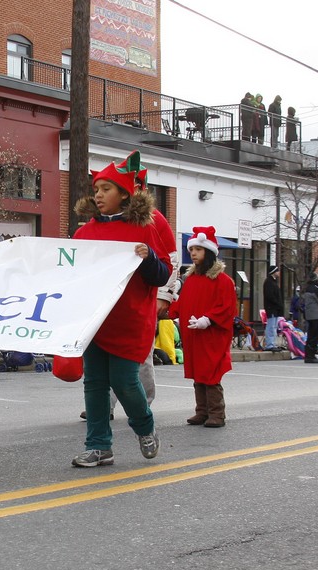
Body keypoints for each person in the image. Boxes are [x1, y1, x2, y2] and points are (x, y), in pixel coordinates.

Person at [69, 152, 170, 467]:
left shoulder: (144, 228)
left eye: (106, 189)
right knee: (95, 382)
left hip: (130, 321)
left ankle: (144, 426)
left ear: (124, 193)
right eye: (96, 189)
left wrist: (149, 257)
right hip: (96, 322)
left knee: (125, 381)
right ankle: (99, 445)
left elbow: (162, 274)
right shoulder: (84, 233)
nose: (98, 195)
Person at [169, 227, 237, 427]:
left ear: (208, 252)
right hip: (194, 335)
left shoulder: (223, 280)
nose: (193, 253)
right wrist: (171, 307)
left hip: (212, 335)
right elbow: (183, 304)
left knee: (210, 372)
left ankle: (217, 413)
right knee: (198, 372)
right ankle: (202, 411)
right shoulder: (191, 279)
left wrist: (207, 320)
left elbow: (227, 307)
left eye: (198, 249)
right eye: (192, 250)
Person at [262, 264, 282, 350]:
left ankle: (272, 343)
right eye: (277, 271)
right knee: (271, 326)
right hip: (271, 308)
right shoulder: (269, 282)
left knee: (274, 326)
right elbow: (269, 296)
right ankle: (269, 344)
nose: (278, 272)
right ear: (273, 272)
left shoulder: (273, 281)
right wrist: (277, 303)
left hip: (275, 308)